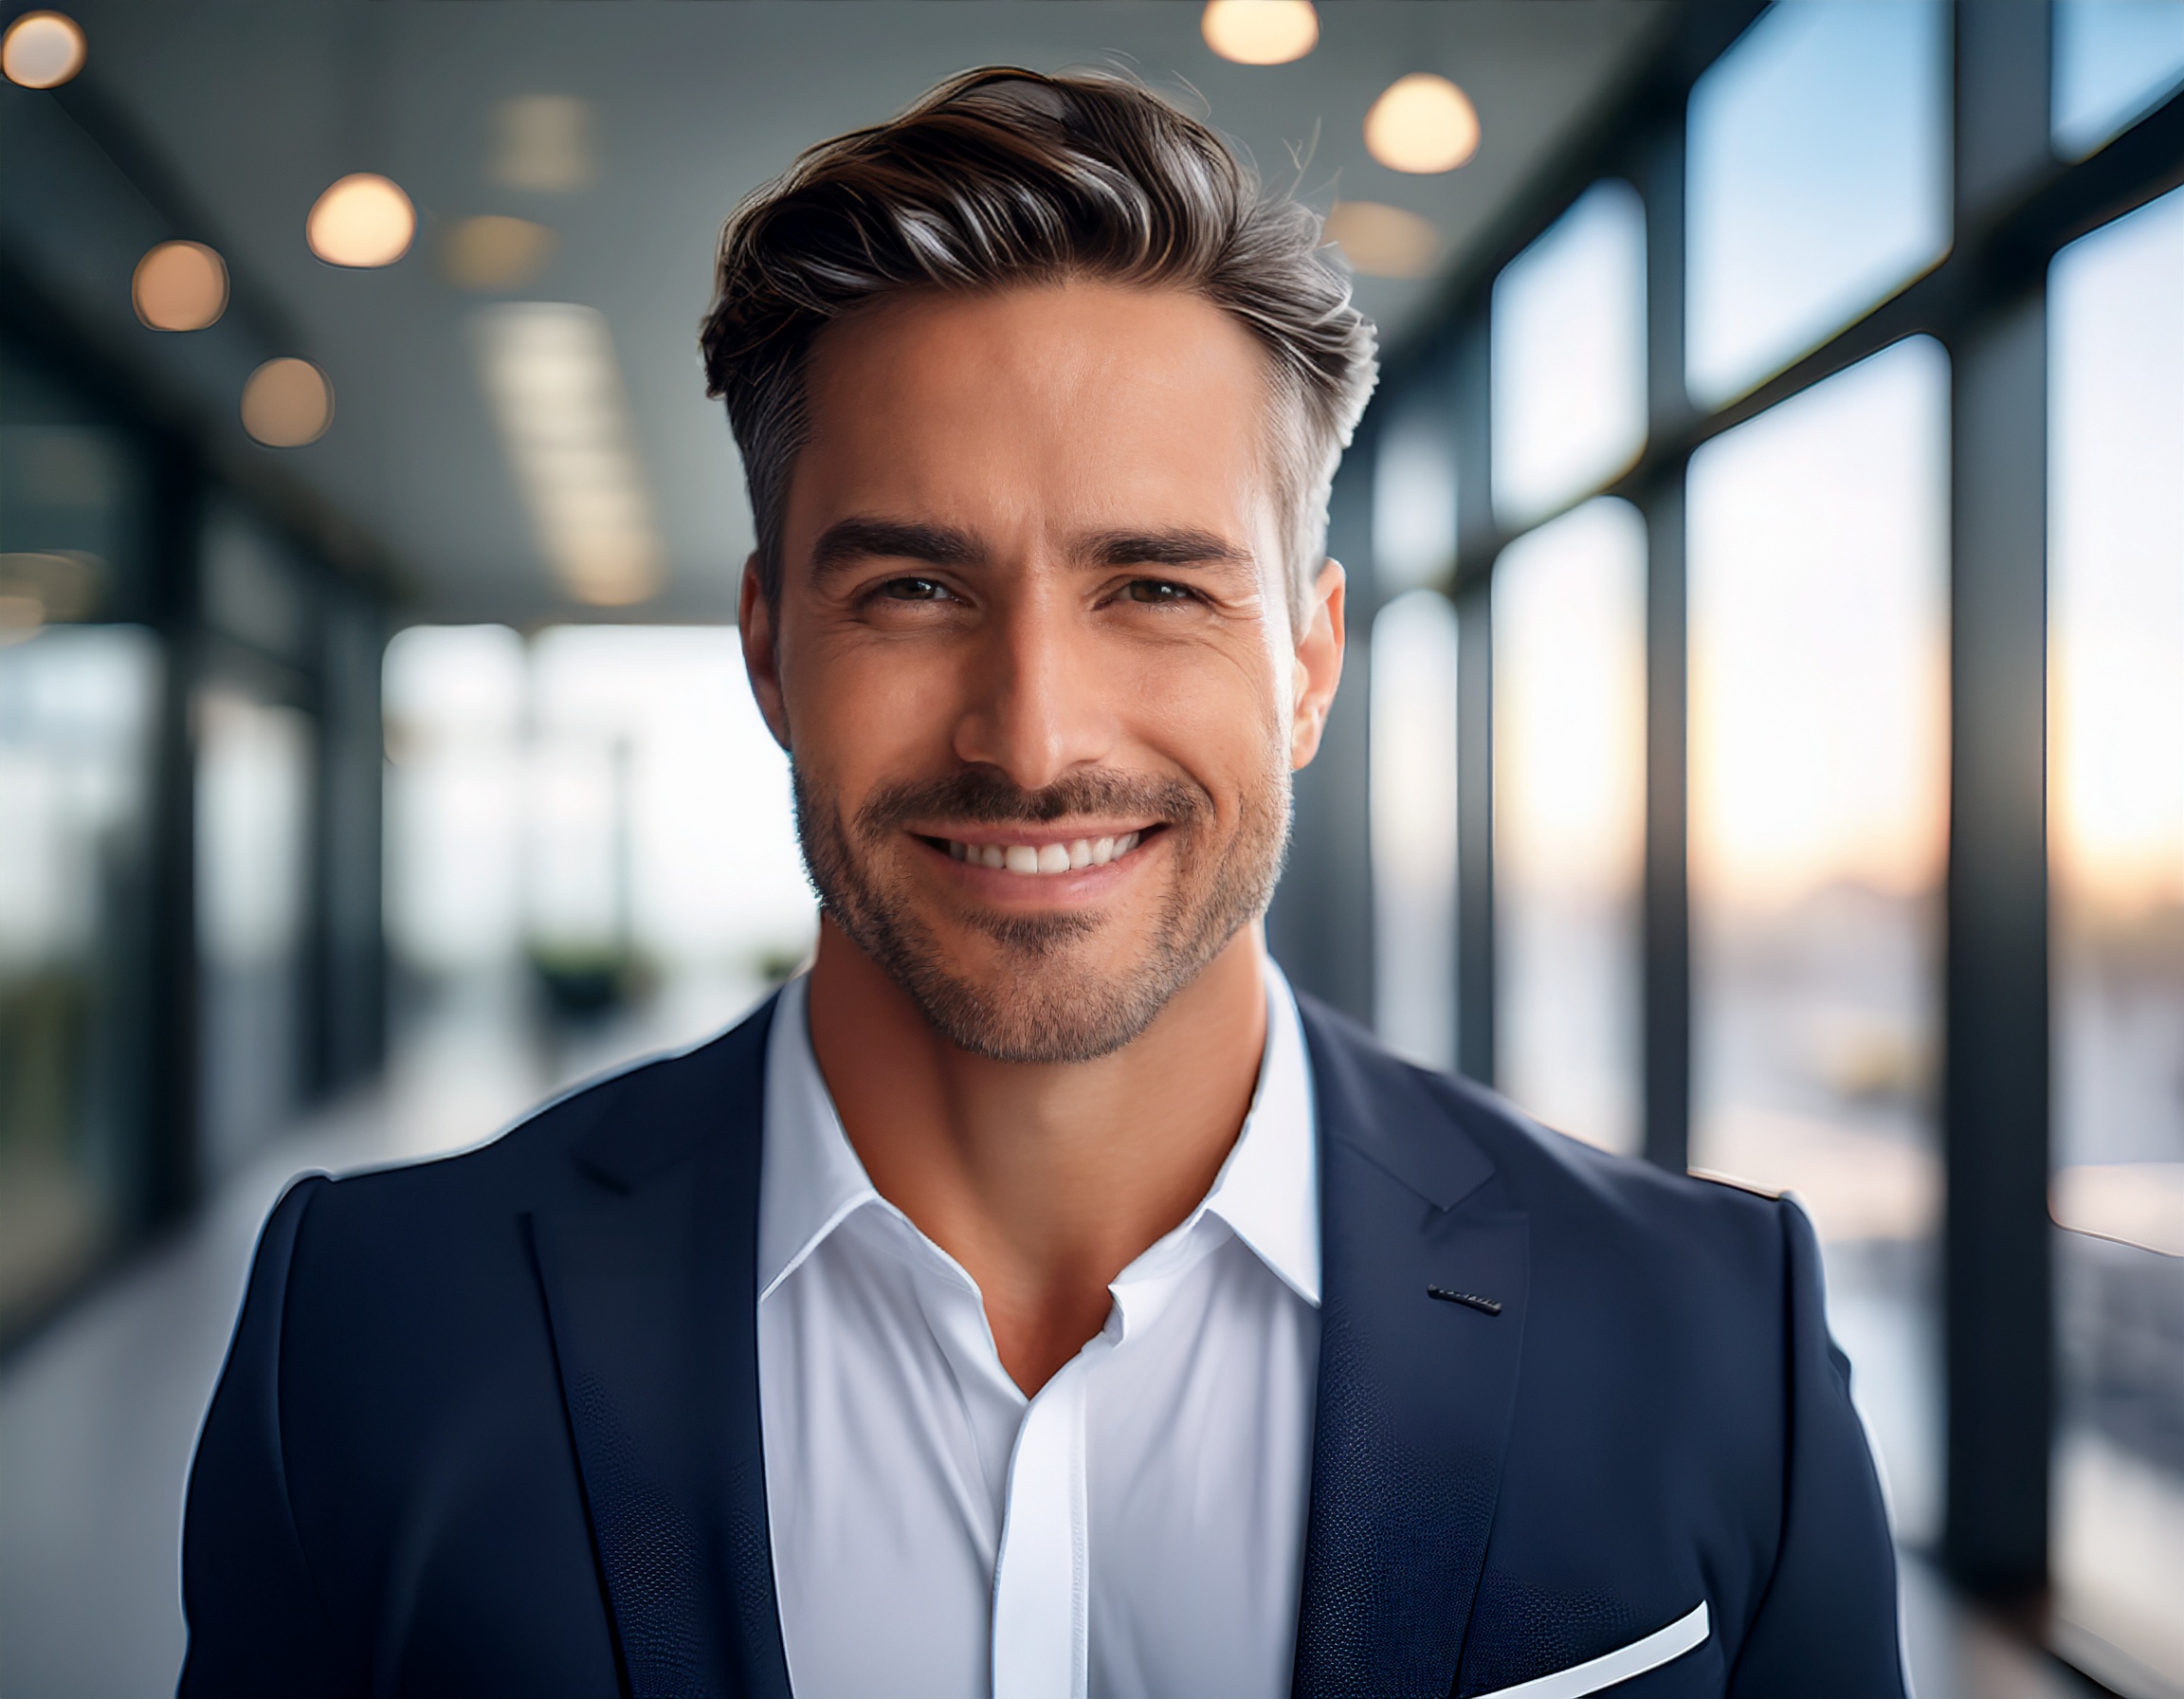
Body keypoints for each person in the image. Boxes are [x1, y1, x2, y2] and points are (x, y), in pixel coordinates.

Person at [178, 67, 1903, 1699]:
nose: (1031, 736)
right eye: (915, 590)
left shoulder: (1709, 1333)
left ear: (1308, 664)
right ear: (770, 649)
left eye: (1154, 588)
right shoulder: (371, 1333)